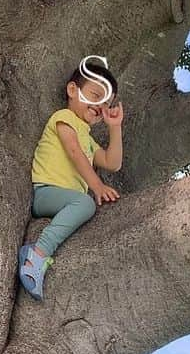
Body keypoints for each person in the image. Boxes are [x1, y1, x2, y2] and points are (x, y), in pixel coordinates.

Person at [19, 55, 123, 300]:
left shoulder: (88, 137)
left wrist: (115, 127)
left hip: (65, 199)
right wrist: (96, 186)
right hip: (46, 192)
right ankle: (38, 253)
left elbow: (112, 162)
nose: (99, 106)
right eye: (96, 96)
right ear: (73, 90)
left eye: (105, 103)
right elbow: (74, 152)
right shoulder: (63, 118)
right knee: (85, 202)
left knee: (83, 203)